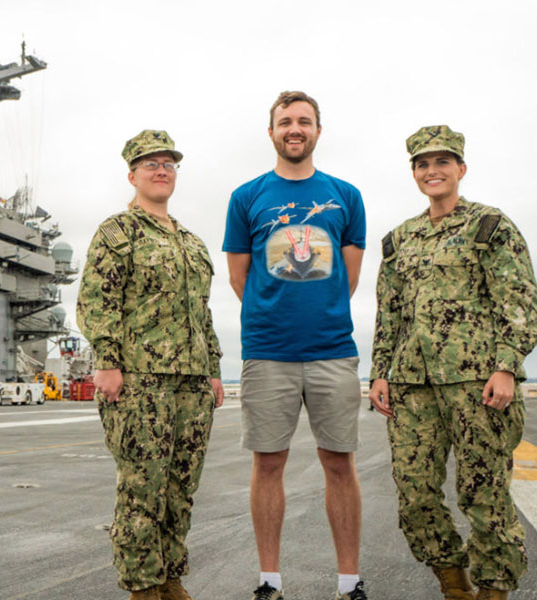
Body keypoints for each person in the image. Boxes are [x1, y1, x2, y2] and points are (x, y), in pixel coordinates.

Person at [367, 125, 537, 600]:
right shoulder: (399, 240)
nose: (432, 171)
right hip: (411, 384)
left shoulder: (490, 226)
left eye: (442, 162)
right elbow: (390, 312)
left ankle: (494, 588)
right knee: (415, 491)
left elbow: (519, 300)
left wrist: (506, 366)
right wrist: (379, 372)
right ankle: (452, 581)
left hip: (476, 381)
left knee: (483, 492)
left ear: (460, 169)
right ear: (414, 174)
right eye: (422, 164)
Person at [222, 91, 368, 600]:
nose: (294, 129)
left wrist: (314, 306)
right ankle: (269, 581)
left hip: (332, 349)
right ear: (272, 133)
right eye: (285, 121)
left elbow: (346, 278)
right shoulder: (246, 197)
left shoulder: (345, 196)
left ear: (317, 131)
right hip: (267, 352)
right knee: (267, 464)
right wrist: (275, 309)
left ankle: (348, 583)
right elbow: (240, 276)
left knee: (339, 462)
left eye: (304, 121)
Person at [76, 129, 225, 600]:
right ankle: (143, 586)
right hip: (140, 381)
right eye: (151, 164)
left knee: (180, 488)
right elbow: (97, 299)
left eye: (169, 164)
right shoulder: (118, 231)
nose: (162, 170)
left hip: (191, 382)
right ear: (132, 174)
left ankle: (171, 578)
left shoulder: (192, 242)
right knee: (143, 489)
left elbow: (201, 311)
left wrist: (214, 368)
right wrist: (107, 361)